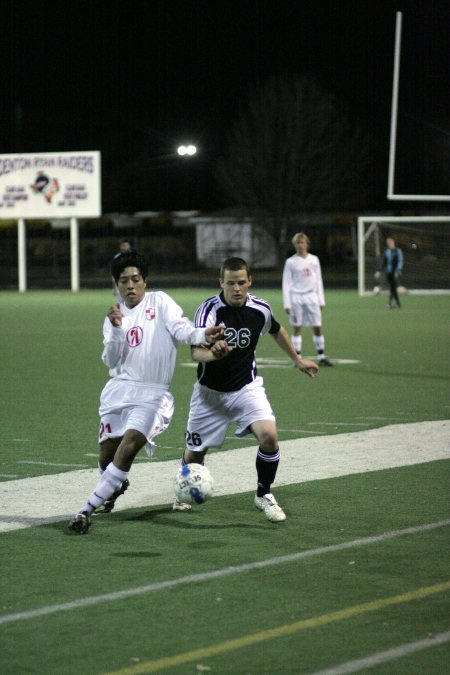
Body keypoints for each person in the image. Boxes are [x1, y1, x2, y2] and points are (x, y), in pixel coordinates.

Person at [68, 251, 224, 534]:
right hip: (118, 393)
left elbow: (181, 328)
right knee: (107, 456)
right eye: (124, 281)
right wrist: (116, 330)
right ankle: (116, 483)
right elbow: (111, 361)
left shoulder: (159, 301)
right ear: (116, 285)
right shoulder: (114, 316)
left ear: (145, 281)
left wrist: (203, 335)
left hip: (153, 396)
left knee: (129, 446)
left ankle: (85, 510)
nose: (130, 285)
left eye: (135, 279)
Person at [174, 257, 319, 523]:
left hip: (246, 388)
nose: (237, 288)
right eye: (231, 283)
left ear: (249, 281)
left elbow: (276, 330)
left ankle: (263, 494)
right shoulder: (209, 310)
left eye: (241, 282)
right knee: (195, 454)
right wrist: (213, 354)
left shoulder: (259, 309)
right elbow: (196, 352)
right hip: (210, 395)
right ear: (221, 283)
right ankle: (184, 487)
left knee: (270, 437)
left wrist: (297, 359)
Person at [282, 232, 333, 366]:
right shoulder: (290, 262)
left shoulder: (314, 260)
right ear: (295, 245)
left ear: (307, 244)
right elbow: (286, 283)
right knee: (297, 327)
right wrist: (287, 303)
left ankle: (321, 356)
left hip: (312, 297)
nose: (301, 245)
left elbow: (318, 281)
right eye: (298, 243)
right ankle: (297, 358)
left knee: (317, 326)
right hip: (296, 297)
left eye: (303, 242)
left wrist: (321, 299)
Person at [375, 237, 403, 309]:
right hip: (389, 273)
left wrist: (398, 270)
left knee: (392, 288)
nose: (389, 244)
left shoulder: (398, 251)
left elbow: (400, 261)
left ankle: (389, 303)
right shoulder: (387, 252)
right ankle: (398, 304)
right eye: (388, 243)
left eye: (390, 242)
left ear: (393, 243)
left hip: (396, 272)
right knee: (393, 288)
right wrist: (379, 271)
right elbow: (383, 262)